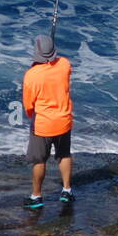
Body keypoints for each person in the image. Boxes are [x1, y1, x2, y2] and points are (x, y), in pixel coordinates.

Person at [22, 34, 72, 208]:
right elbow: (57, 65)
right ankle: (66, 190)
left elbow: (29, 105)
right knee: (64, 155)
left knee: (39, 160)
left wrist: (32, 116)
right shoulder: (65, 64)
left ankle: (36, 197)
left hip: (43, 125)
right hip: (64, 120)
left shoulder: (31, 75)